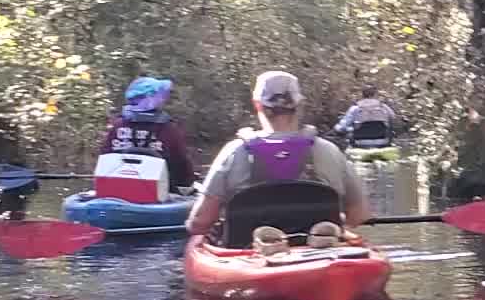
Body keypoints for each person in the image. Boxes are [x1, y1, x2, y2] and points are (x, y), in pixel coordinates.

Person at [186, 70, 372, 239]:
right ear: (299, 103)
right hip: (319, 253)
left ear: (257, 105)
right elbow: (359, 214)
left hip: (248, 255)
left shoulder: (234, 153)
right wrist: (337, 224)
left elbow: (200, 222)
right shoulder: (329, 151)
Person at [100, 76, 198, 192]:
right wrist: (187, 184)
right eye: (160, 96)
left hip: (117, 190)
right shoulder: (169, 129)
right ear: (152, 99)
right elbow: (182, 166)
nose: (163, 99)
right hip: (160, 193)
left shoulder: (117, 126)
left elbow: (104, 158)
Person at [335, 85, 399, 148]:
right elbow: (393, 118)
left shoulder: (355, 108)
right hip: (382, 142)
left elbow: (342, 128)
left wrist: (338, 128)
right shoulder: (383, 107)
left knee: (348, 131)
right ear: (375, 95)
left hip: (360, 143)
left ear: (362, 95)